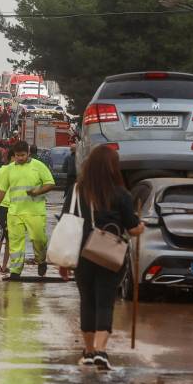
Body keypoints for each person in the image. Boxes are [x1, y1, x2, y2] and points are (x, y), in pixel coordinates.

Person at [60, 146, 144, 370]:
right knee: (105, 302)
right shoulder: (121, 194)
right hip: (109, 254)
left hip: (81, 253)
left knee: (87, 301)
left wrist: (63, 262)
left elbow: (66, 222)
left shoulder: (77, 190)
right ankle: (100, 350)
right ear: (113, 167)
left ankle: (88, 352)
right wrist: (141, 225)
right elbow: (133, 228)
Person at [0, 141, 55, 281]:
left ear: (28, 153)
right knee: (15, 242)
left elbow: (50, 183)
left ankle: (41, 260)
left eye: (23, 155)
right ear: (14, 155)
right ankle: (15, 270)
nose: (20, 158)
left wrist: (37, 191)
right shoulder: (9, 169)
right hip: (15, 212)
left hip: (35, 211)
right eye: (17, 155)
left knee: (39, 239)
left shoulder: (38, 166)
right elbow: (1, 190)